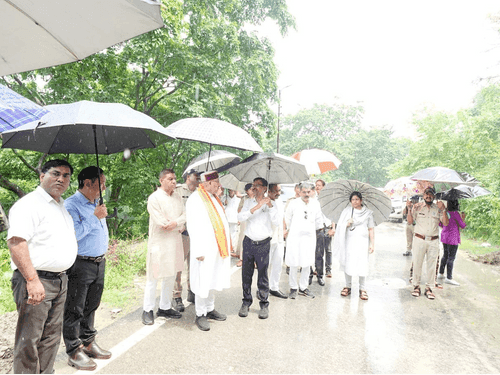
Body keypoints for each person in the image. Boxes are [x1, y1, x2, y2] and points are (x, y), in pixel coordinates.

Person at [7, 159, 78, 374]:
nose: (61, 179)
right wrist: (32, 280)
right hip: (37, 280)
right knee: (30, 339)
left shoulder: (61, 205)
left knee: (51, 337)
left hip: (59, 280)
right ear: (41, 176)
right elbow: (16, 242)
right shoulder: (29, 204)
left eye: (66, 176)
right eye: (56, 173)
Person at [63, 167, 111, 370]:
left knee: (92, 304)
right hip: (81, 262)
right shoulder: (71, 205)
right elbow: (73, 235)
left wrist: (97, 214)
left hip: (99, 262)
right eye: (101, 183)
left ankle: (88, 341)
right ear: (88, 183)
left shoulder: (96, 203)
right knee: (75, 308)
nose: (105, 187)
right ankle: (74, 349)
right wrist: (95, 217)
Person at [186, 171, 231, 331]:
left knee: (212, 278)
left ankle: (210, 308)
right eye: (216, 182)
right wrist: (198, 250)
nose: (219, 185)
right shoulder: (195, 200)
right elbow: (192, 226)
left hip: (216, 248)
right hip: (203, 249)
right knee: (202, 280)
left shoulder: (214, 198)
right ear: (206, 184)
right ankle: (200, 313)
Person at [142, 168, 186, 325]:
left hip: (174, 242)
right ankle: (147, 309)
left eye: (174, 179)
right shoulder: (154, 198)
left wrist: (175, 222)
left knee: (170, 275)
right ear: (161, 180)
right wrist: (177, 223)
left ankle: (165, 307)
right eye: (170, 179)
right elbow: (161, 223)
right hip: (159, 243)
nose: (174, 181)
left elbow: (184, 215)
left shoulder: (178, 197)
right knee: (153, 277)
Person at [237, 177, 280, 319]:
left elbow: (277, 222)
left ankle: (264, 304)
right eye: (253, 185)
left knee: (262, 274)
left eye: (257, 185)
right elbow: (241, 217)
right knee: (246, 274)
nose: (254, 187)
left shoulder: (272, 204)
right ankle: (246, 302)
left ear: (264, 188)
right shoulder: (248, 202)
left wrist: (269, 206)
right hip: (249, 242)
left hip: (263, 243)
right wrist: (256, 206)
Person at [407, 187, 449, 300]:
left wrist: (444, 210)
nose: (428, 196)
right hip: (419, 239)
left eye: (431, 194)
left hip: (433, 240)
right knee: (417, 263)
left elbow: (445, 223)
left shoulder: (439, 208)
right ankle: (416, 286)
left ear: (434, 196)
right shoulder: (417, 207)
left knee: (432, 265)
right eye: (426, 194)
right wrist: (409, 208)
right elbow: (410, 222)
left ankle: (429, 288)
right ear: (423, 195)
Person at [332, 191, 375, 300]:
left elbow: (371, 229)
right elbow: (340, 226)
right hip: (349, 241)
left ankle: (362, 289)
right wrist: (346, 224)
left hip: (363, 242)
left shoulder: (368, 213)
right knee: (349, 262)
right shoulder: (347, 211)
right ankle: (347, 286)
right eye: (352, 200)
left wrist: (372, 244)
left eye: (356, 199)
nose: (354, 201)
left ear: (361, 200)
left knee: (362, 263)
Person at [285, 182, 323, 299]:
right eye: (304, 192)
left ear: (311, 192)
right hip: (295, 237)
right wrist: (290, 230)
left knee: (307, 262)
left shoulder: (315, 204)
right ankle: (293, 287)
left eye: (308, 192)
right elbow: (287, 218)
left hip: (309, 237)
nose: (306, 194)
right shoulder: (293, 203)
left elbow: (318, 220)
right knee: (293, 262)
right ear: (299, 192)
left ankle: (303, 287)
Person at [173, 169, 200, 311]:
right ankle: (176, 296)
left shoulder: (200, 192)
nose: (198, 178)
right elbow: (172, 209)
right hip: (181, 233)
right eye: (196, 176)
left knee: (194, 265)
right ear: (188, 177)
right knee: (178, 266)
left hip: (195, 233)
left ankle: (192, 291)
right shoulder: (178, 190)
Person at [438, 199, 466, 286]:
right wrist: (463, 218)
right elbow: (462, 226)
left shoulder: (445, 212)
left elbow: (441, 224)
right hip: (453, 238)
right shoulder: (455, 214)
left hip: (445, 237)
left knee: (445, 255)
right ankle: (449, 278)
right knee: (451, 257)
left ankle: (441, 273)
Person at [311, 179, 333, 284]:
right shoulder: (313, 199)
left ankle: (327, 270)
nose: (317, 187)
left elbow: (333, 215)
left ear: (324, 187)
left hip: (326, 227)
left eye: (319, 185)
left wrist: (333, 228)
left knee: (327, 250)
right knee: (317, 252)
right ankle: (317, 271)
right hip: (316, 228)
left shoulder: (328, 199)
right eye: (316, 185)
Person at [267, 184, 287, 299]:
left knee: (278, 264)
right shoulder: (265, 202)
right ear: (269, 191)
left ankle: (274, 287)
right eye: (276, 191)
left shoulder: (279, 201)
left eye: (280, 191)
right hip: (269, 238)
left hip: (279, 238)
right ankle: (262, 289)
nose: (278, 193)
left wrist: (284, 229)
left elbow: (282, 217)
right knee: (265, 266)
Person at [235, 183, 255, 267]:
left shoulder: (257, 198)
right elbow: (239, 210)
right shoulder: (244, 199)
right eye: (251, 189)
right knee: (243, 238)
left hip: (253, 221)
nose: (253, 190)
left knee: (254, 239)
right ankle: (241, 259)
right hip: (245, 221)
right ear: (247, 191)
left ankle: (254, 261)